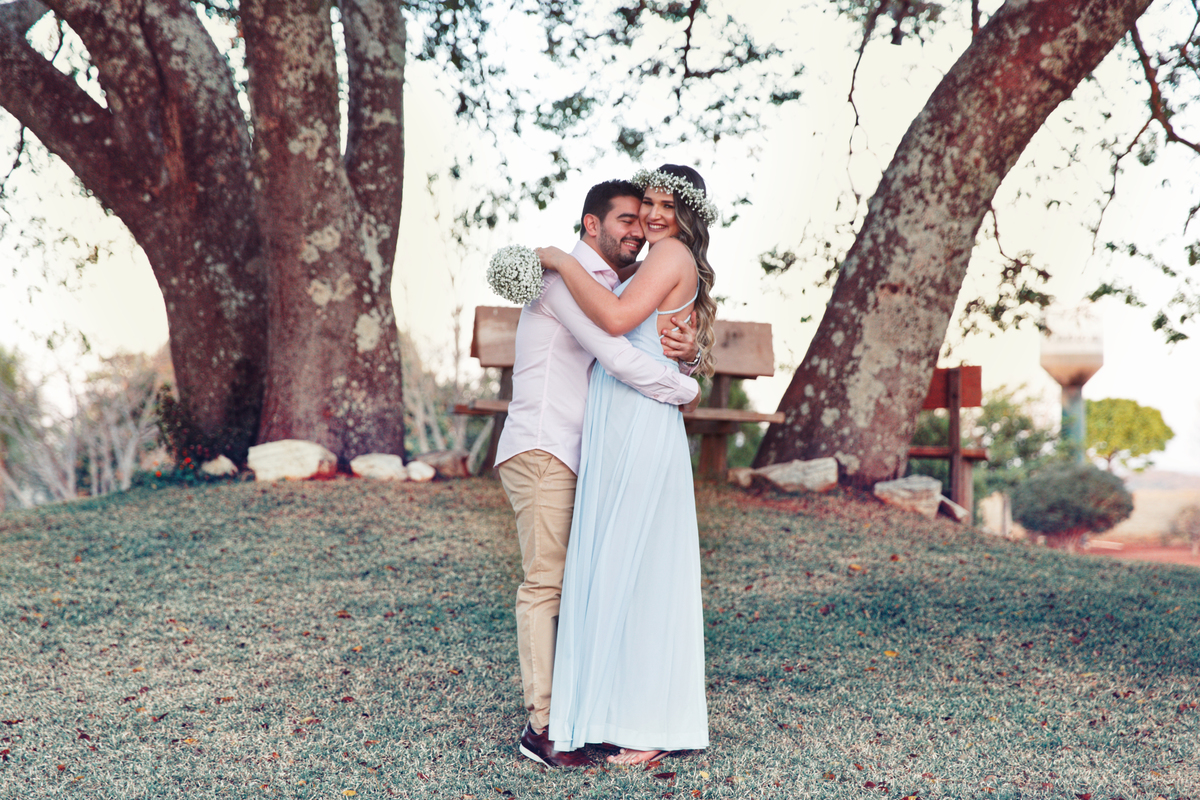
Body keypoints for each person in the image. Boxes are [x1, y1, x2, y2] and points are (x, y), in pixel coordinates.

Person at [493, 179, 702, 769]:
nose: (638, 229)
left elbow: (651, 332)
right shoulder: (559, 280)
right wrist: (684, 388)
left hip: (586, 451)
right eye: (627, 220)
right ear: (591, 225)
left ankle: (583, 712)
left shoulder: (614, 280)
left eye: (647, 219)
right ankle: (544, 729)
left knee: (579, 580)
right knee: (547, 584)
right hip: (544, 448)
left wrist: (687, 352)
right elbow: (613, 350)